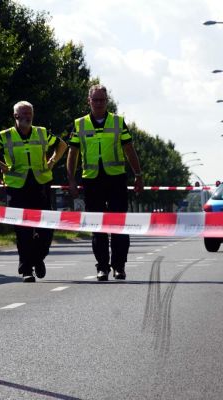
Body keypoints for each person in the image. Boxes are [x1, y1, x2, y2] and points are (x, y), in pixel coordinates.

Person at [0, 101, 67, 282]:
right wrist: (2, 166)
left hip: (41, 184)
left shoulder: (41, 132)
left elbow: (62, 145)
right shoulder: (6, 136)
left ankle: (37, 258)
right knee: (23, 230)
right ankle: (26, 269)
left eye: (30, 113)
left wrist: (53, 161)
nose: (27, 116)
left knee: (47, 228)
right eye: (24, 113)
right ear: (16, 116)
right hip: (17, 187)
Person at [66, 84, 144, 281]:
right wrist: (71, 180)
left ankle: (119, 266)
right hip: (92, 181)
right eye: (95, 100)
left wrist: (138, 174)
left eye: (102, 100)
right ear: (89, 101)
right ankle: (102, 267)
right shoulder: (79, 124)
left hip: (116, 179)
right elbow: (72, 153)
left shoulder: (118, 122)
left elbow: (129, 149)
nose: (99, 103)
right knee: (97, 226)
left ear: (106, 101)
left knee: (119, 225)